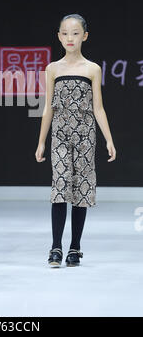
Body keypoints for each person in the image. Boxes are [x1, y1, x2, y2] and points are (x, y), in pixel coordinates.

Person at [35, 14, 116, 267]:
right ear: (59, 36)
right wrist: (40, 142)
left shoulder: (92, 69)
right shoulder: (52, 69)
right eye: (65, 33)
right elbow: (48, 108)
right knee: (59, 188)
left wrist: (108, 140)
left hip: (85, 136)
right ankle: (55, 247)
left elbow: (98, 108)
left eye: (75, 33)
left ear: (85, 36)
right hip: (59, 135)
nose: (70, 38)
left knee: (81, 189)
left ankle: (75, 248)